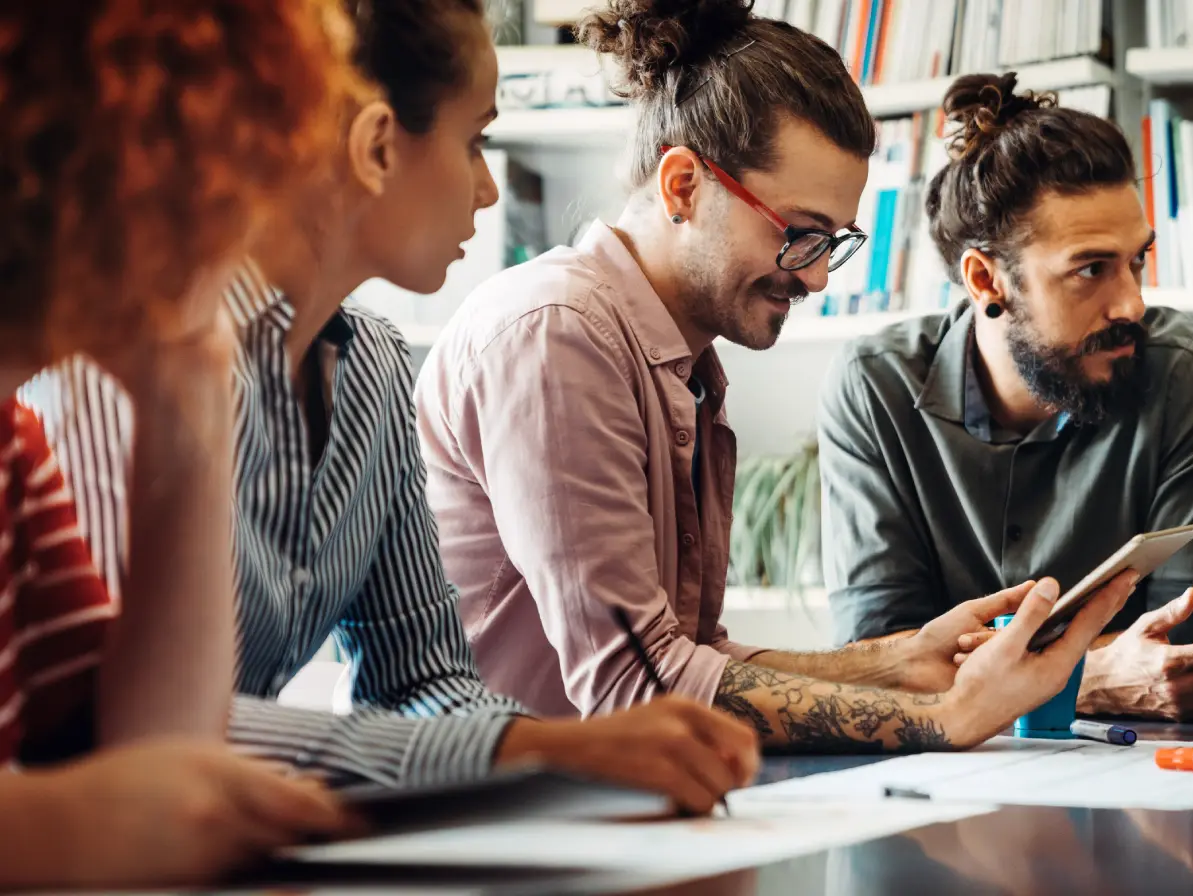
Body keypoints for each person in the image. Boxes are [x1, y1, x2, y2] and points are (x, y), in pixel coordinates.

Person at [26, 0, 758, 812]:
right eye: (474, 141)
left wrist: (563, 762)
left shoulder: (374, 368)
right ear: (377, 144)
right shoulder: (125, 366)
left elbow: (422, 680)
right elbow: (126, 727)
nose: (486, 190)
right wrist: (542, 748)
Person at [414, 0, 1136, 753]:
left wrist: (898, 662)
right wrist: (945, 719)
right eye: (800, 234)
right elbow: (634, 686)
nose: (820, 277)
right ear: (683, 185)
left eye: (835, 241)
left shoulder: (682, 364)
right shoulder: (558, 333)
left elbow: (688, 658)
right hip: (480, 821)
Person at [0, 0, 359, 889]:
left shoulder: (12, 448)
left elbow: (151, 757)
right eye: (230, 179)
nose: (238, 232)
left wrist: (190, 396)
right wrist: (59, 829)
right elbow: (109, 808)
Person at [817, 74, 1193, 722]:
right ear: (985, 279)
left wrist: (976, 676)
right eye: (1091, 269)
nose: (1132, 305)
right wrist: (1089, 677)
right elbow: (874, 661)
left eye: (1136, 262)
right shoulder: (875, 389)